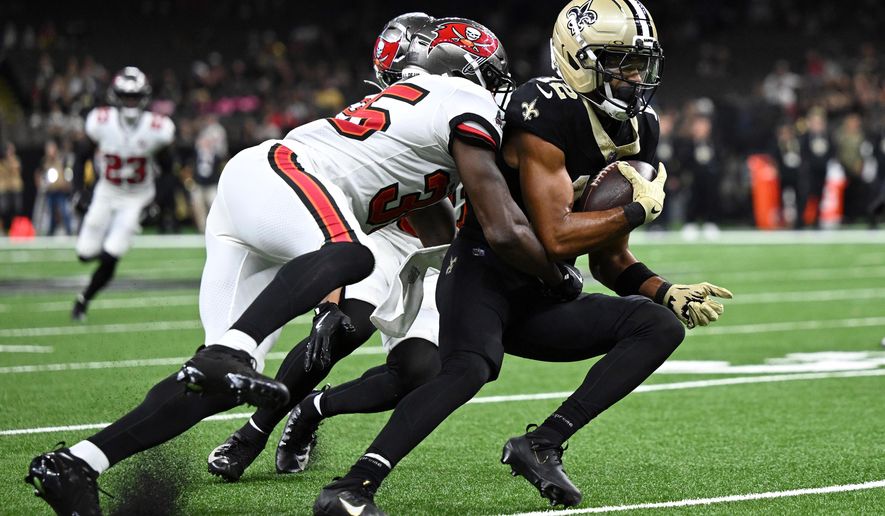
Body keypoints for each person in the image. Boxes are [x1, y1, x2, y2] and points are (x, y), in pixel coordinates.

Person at [25, 18, 580, 516]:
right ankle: (232, 351)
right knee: (352, 254)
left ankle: (77, 463)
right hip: (283, 175)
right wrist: (553, 273)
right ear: (477, 73)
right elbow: (500, 226)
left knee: (211, 387)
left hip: (255, 203)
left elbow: (438, 222)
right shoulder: (466, 98)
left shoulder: (418, 112)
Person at [314, 2, 732, 514]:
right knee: (467, 370)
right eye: (619, 62)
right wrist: (634, 211)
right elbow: (555, 237)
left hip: (544, 289)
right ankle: (352, 486)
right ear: (578, 60)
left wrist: (665, 291)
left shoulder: (640, 127)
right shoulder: (544, 107)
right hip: (484, 271)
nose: (634, 77)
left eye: (641, 64)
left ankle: (542, 443)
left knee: (657, 326)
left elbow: (607, 260)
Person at [205, 12, 461, 483]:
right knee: (343, 329)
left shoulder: (480, 116)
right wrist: (330, 293)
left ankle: (312, 409)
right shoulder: (397, 118)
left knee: (419, 371)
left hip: (438, 252)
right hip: (379, 234)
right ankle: (253, 431)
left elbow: (448, 217)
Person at [70, 67, 176, 321]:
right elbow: (81, 157)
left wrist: (156, 203)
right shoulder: (101, 122)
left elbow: (169, 171)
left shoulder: (156, 128)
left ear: (144, 97)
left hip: (137, 197)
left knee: (111, 254)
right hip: (106, 191)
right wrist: (78, 191)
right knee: (85, 253)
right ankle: (104, 251)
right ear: (115, 96)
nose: (130, 102)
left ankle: (83, 300)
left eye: (135, 96)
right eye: (126, 96)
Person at [0, 141, 24, 234]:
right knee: (4, 209)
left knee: (17, 209)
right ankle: (4, 228)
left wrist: (10, 160)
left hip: (15, 187)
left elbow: (16, 169)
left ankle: (16, 229)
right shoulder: (2, 161)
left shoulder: (16, 160)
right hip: (4, 188)